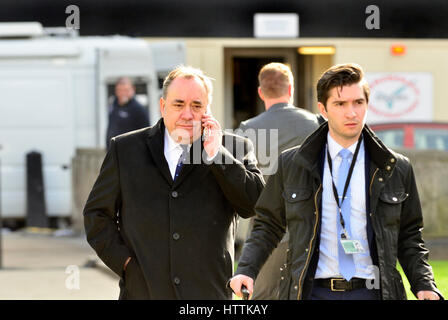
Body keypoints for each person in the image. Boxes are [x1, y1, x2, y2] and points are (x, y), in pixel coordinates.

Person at [230, 63, 443, 300]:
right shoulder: (292, 163)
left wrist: (424, 284)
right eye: (340, 104)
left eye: (358, 103)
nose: (351, 112)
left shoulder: (396, 167)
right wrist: (247, 270)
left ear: (366, 105)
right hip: (312, 292)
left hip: (373, 293)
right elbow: (268, 224)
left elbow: (409, 236)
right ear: (323, 109)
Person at [84, 65, 264, 299]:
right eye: (179, 104)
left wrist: (216, 154)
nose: (188, 114)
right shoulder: (125, 149)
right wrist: (126, 264)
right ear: (163, 106)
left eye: (197, 105)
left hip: (208, 293)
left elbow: (254, 204)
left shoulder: (235, 148)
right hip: (143, 292)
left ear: (208, 110)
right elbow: (97, 214)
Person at [236, 62, 319, 299]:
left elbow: (238, 180)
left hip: (264, 230)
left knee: (260, 297)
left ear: (260, 92)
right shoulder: (315, 125)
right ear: (290, 88)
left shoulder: (248, 129)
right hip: (307, 227)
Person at [105, 77, 149, 149]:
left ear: (133, 90)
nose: (122, 93)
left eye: (126, 90)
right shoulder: (113, 106)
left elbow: (146, 133)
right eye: (120, 90)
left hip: (131, 152)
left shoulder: (138, 109)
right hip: (114, 150)